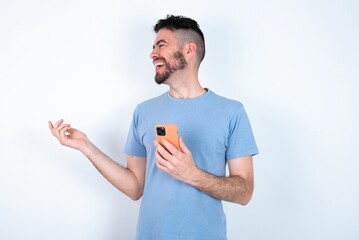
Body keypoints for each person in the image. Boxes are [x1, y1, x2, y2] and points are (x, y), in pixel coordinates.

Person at [48, 15, 258, 240]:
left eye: (162, 45)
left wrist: (192, 174)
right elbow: (135, 187)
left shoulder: (231, 112)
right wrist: (87, 147)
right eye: (153, 47)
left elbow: (244, 192)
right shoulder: (144, 112)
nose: (152, 54)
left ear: (189, 51)